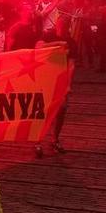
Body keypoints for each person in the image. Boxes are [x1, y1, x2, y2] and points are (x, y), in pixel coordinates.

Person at [34, 15, 75, 158]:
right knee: (44, 111)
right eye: (60, 24)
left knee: (62, 109)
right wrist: (58, 43)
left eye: (64, 25)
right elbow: (38, 47)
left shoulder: (71, 41)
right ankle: (37, 141)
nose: (61, 27)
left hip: (60, 79)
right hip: (45, 77)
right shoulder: (48, 35)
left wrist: (68, 84)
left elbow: (71, 64)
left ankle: (55, 139)